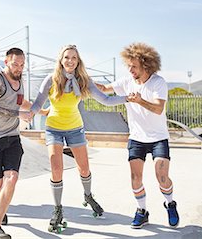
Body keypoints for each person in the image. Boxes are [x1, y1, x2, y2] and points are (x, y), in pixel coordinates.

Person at [29, 44, 128, 232]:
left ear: (78, 61)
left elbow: (105, 100)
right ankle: (57, 209)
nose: (70, 61)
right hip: (54, 128)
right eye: (67, 57)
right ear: (61, 59)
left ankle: (88, 195)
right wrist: (28, 113)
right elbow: (37, 104)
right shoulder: (50, 80)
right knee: (56, 169)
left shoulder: (83, 80)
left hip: (75, 128)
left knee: (84, 168)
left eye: (74, 58)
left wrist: (127, 98)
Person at [96, 42, 180, 229]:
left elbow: (158, 108)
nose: (130, 69)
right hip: (136, 138)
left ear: (146, 65)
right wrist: (83, 79)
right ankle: (142, 211)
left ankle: (170, 204)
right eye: (129, 65)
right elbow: (103, 89)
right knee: (135, 178)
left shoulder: (158, 82)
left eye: (134, 66)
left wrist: (140, 101)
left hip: (158, 137)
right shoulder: (126, 82)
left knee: (162, 176)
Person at [0, 47, 32, 239]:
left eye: (22, 65)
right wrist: (18, 113)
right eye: (15, 64)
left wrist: (39, 110)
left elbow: (20, 101)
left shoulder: (21, 81)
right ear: (6, 62)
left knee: (12, 178)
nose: (19, 68)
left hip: (12, 137)